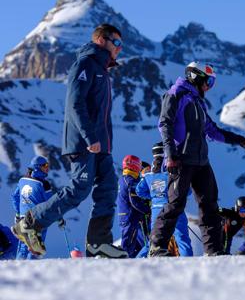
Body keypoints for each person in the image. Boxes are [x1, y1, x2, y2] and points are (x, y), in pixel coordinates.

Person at [12, 24, 127, 258]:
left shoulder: (102, 70)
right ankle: (30, 222)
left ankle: (98, 244)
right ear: (101, 40)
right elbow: (75, 103)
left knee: (108, 187)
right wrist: (90, 137)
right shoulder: (85, 64)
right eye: (116, 43)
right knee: (79, 189)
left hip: (101, 146)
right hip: (84, 142)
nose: (119, 49)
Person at [149, 63, 245, 257]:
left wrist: (241, 141)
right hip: (180, 158)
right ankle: (157, 247)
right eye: (208, 81)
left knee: (210, 206)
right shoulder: (176, 95)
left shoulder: (197, 101)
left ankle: (214, 250)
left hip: (200, 161)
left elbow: (212, 130)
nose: (209, 86)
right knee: (175, 204)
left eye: (213, 82)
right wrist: (171, 153)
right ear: (195, 77)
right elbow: (164, 123)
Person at [137, 142, 193, 257]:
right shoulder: (173, 171)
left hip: (156, 211)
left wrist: (155, 197)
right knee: (182, 238)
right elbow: (188, 191)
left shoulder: (149, 175)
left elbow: (139, 191)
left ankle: (138, 262)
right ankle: (189, 261)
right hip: (173, 207)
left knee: (154, 240)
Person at [11, 156, 55, 259]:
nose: (47, 168)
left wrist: (18, 213)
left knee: (23, 247)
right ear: (37, 167)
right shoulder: (44, 184)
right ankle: (31, 272)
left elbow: (14, 197)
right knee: (36, 248)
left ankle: (18, 270)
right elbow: (51, 203)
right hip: (38, 219)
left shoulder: (22, 180)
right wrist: (59, 218)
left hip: (23, 219)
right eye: (45, 166)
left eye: (47, 165)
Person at [117, 155, 150, 258]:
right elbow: (134, 201)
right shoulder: (130, 180)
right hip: (131, 216)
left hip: (125, 215)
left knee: (133, 242)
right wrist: (147, 210)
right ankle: (124, 259)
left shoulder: (124, 179)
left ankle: (130, 258)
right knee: (128, 242)